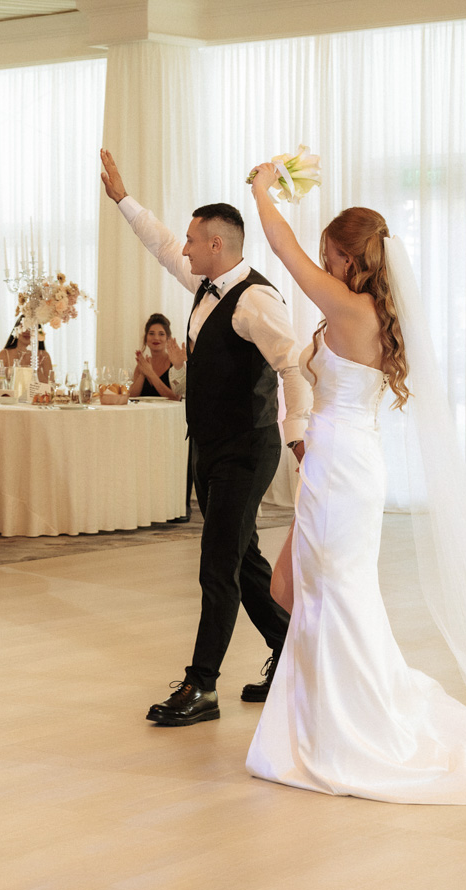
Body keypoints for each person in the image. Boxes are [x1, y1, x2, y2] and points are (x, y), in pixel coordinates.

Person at [242, 167, 466, 803]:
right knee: (304, 588)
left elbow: (283, 249)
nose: (322, 263)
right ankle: (317, 720)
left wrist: (262, 189)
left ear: (349, 259)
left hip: (342, 465)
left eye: (329, 255)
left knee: (337, 593)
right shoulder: (369, 310)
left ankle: (351, 727)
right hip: (341, 460)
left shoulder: (351, 308)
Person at [100, 149, 313, 727]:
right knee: (243, 560)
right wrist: (124, 200)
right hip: (210, 447)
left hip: (247, 449)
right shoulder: (205, 280)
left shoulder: (256, 299)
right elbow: (162, 243)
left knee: (217, 565)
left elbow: (293, 365)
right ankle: (293, 653)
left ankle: (202, 687)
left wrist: (298, 434)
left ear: (218, 244)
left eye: (195, 240)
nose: (187, 248)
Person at [129, 313, 186, 400]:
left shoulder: (175, 364)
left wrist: (151, 374)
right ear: (146, 338)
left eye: (161, 334)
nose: (156, 338)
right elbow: (131, 396)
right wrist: (143, 374)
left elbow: (176, 397)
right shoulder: (142, 365)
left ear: (167, 338)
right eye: (151, 333)